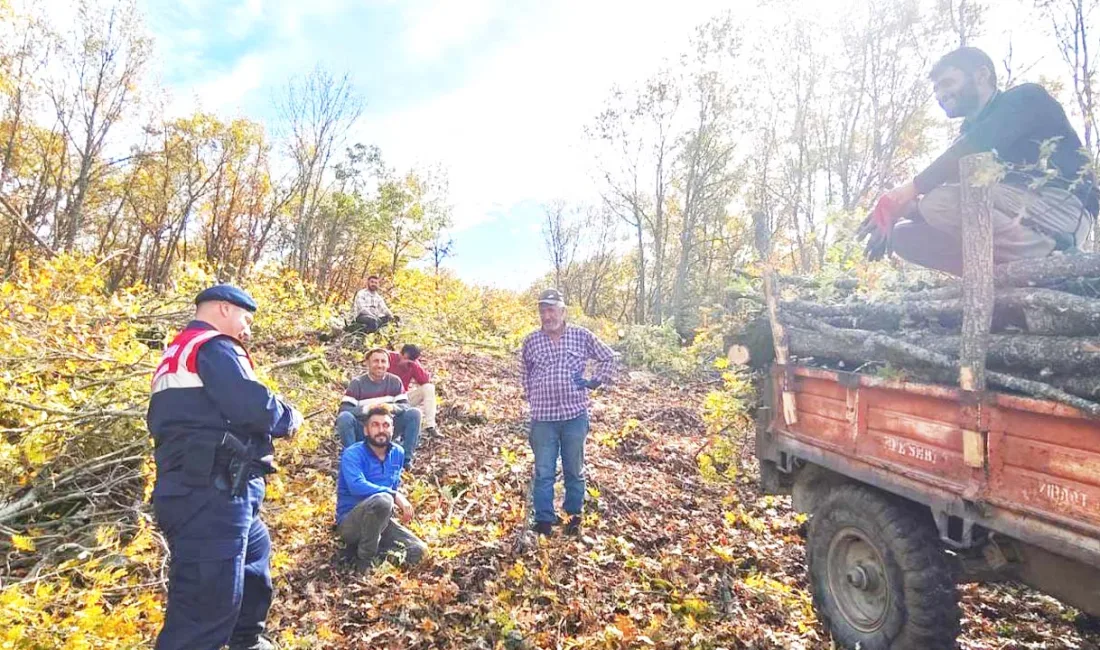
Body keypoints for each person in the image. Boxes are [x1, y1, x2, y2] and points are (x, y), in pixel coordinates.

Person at [147, 284, 303, 650]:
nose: (248, 329)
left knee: (254, 559)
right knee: (205, 607)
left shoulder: (178, 353)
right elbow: (251, 404)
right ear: (222, 309)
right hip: (210, 492)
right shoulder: (213, 346)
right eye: (245, 318)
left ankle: (245, 640)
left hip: (212, 487)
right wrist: (289, 417)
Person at [858, 46, 1099, 275]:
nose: (941, 95)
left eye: (948, 83)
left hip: (1063, 210)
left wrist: (904, 193)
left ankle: (1052, 257)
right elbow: (961, 205)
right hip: (1015, 216)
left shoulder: (1025, 99)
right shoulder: (967, 133)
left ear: (982, 75)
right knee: (904, 236)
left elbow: (978, 145)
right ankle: (998, 275)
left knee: (937, 201)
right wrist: (903, 211)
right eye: (937, 90)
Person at [520, 289, 615, 536]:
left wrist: (595, 381)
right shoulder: (531, 341)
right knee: (543, 471)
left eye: (551, 309)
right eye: (543, 310)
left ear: (563, 311)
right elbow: (526, 373)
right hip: (543, 418)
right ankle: (543, 523)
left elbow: (608, 358)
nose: (547, 315)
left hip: (574, 415)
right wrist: (532, 397)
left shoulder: (581, 336)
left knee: (574, 468)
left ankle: (573, 518)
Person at [335, 405, 427, 571]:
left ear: (393, 429)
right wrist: (394, 495)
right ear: (366, 430)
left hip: (381, 521)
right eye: (375, 425)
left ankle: (363, 553)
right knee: (383, 500)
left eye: (385, 425)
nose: (380, 430)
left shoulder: (397, 453)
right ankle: (363, 562)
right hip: (351, 523)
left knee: (418, 551)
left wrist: (392, 496)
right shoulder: (353, 453)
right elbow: (356, 486)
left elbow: (392, 485)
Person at [335, 347, 422, 468]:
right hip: (364, 431)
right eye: (376, 361)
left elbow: (405, 405)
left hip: (388, 428)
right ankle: (354, 459)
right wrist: (367, 409)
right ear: (368, 363)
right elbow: (344, 410)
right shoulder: (357, 383)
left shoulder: (395, 381)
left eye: (383, 361)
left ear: (388, 364)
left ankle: (405, 460)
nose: (380, 365)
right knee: (345, 418)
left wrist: (391, 408)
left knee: (414, 413)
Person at [388, 344, 438, 437]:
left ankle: (430, 426)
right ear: (400, 353)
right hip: (384, 399)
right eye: (404, 358)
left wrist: (414, 365)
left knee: (429, 388)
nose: (404, 361)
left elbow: (425, 381)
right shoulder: (388, 357)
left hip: (402, 400)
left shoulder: (413, 364)